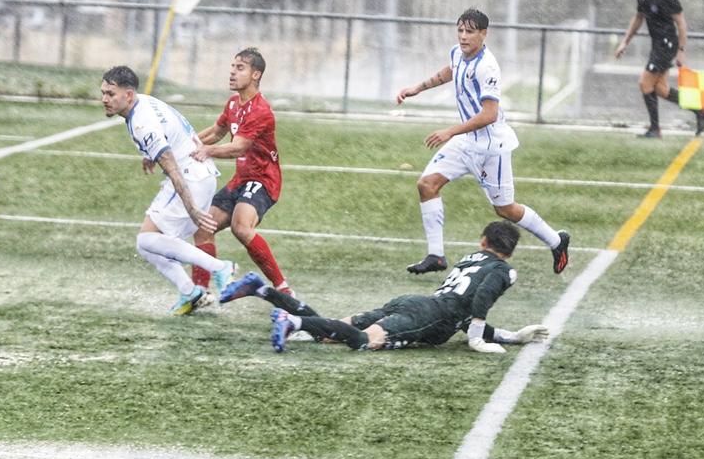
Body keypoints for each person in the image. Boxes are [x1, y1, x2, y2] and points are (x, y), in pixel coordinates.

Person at [396, 8, 570, 275]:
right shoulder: (458, 52)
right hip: (466, 141)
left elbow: (489, 115)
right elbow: (450, 70)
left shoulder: (487, 67)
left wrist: (450, 131)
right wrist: (417, 88)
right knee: (427, 185)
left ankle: (557, 241)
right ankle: (436, 256)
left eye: (470, 31)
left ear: (483, 34)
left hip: (491, 147)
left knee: (505, 210)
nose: (463, 37)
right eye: (460, 30)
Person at [219, 221, 549, 354]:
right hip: (427, 316)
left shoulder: (471, 258)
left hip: (414, 304)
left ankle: (261, 289)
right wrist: (478, 339)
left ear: (483, 241)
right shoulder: (503, 270)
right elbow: (481, 300)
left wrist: (512, 336)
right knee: (362, 342)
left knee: (332, 332)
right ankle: (293, 321)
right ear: (510, 251)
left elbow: (465, 312)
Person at [100, 65, 238, 315]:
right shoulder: (145, 102)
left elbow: (173, 169)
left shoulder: (141, 123)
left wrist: (193, 210)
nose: (104, 99)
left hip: (189, 178)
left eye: (111, 94)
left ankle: (220, 268)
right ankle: (191, 292)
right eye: (103, 93)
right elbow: (172, 134)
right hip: (202, 174)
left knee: (147, 239)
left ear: (128, 95)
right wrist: (150, 154)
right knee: (147, 245)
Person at [185, 48, 293, 296]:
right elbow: (216, 131)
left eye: (240, 68)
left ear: (256, 75)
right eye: (232, 66)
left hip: (263, 179)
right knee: (203, 227)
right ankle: (200, 294)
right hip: (241, 179)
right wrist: (184, 144)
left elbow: (238, 147)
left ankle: (283, 289)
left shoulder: (260, 110)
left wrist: (207, 151)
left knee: (241, 227)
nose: (232, 72)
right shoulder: (233, 103)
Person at [614, 0, 704, 137]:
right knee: (661, 89)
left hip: (667, 45)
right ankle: (701, 110)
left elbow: (681, 24)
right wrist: (624, 42)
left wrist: (681, 51)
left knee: (644, 83)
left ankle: (655, 129)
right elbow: (638, 19)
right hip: (657, 45)